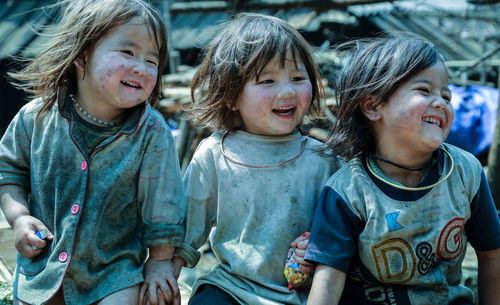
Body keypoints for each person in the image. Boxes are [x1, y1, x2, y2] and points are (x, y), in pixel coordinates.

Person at [0, 0, 185, 304]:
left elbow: (164, 203)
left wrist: (160, 262)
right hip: (43, 270)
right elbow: (8, 171)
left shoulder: (151, 131)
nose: (142, 67)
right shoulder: (36, 118)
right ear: (82, 55)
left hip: (115, 274)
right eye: (128, 52)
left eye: (153, 60)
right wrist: (19, 218)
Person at [304, 35, 500, 305]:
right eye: (424, 90)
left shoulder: (466, 172)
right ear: (373, 106)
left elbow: (491, 253)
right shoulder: (348, 191)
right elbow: (328, 280)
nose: (442, 102)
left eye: (446, 95)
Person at [172, 12, 344, 305]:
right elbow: (186, 232)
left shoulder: (323, 160)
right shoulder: (216, 154)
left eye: (298, 78)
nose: (287, 90)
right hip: (231, 286)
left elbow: (342, 232)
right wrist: (164, 278)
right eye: (267, 80)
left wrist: (315, 247)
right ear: (231, 95)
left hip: (302, 294)